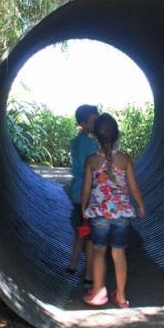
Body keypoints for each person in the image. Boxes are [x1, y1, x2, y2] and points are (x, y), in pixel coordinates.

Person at [81, 113, 146, 308]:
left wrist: (84, 208)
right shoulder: (125, 159)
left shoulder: (91, 160)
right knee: (119, 253)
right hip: (121, 214)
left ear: (96, 137)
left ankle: (98, 292)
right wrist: (140, 204)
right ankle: (121, 297)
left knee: (99, 249)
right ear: (117, 134)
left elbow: (86, 188)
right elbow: (133, 186)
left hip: (99, 213)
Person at [66, 104, 100, 284]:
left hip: (78, 193)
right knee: (91, 236)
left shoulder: (77, 141)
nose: (96, 124)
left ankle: (71, 265)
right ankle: (88, 275)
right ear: (82, 123)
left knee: (82, 230)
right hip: (89, 194)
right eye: (93, 121)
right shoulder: (91, 144)